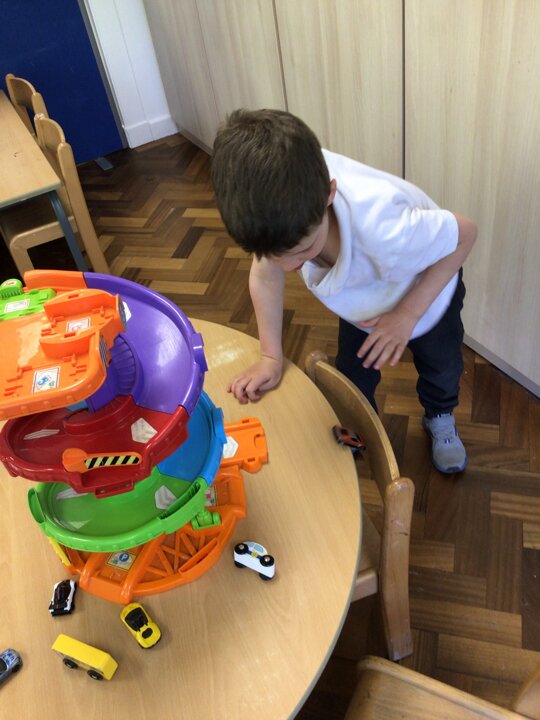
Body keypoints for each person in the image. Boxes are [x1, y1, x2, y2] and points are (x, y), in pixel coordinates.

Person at [210, 109, 477, 474]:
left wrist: (406, 315)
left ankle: (440, 416)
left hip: (428, 294)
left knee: (441, 366)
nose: (287, 267)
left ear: (330, 194)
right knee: (352, 376)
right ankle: (358, 432)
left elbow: (465, 234)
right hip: (362, 300)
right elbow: (266, 275)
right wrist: (271, 356)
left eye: (302, 251)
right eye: (273, 256)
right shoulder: (280, 206)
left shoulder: (385, 229)